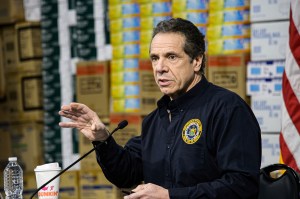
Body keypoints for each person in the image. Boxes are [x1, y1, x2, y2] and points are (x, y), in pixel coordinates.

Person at [59, 18, 261, 199]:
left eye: (171, 57)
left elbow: (242, 186)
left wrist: (170, 196)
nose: (160, 67)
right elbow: (126, 173)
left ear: (197, 61)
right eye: (155, 58)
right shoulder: (154, 120)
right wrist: (102, 139)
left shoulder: (227, 108)